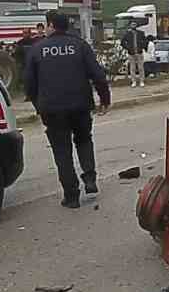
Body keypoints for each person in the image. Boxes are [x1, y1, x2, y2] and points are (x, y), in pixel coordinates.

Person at [23, 11, 111, 209]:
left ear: (52, 25)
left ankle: (71, 196)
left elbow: (29, 84)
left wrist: (38, 106)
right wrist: (105, 99)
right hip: (80, 105)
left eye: (46, 25)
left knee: (62, 150)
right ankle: (89, 179)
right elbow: (98, 75)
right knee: (83, 140)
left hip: (52, 109)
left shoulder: (37, 49)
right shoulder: (80, 46)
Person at [120, 24, 147, 88]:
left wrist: (142, 47)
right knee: (132, 68)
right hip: (131, 53)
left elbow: (145, 41)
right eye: (132, 25)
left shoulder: (141, 33)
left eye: (134, 24)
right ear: (130, 26)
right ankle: (133, 81)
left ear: (136, 26)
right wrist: (128, 47)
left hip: (139, 52)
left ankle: (141, 81)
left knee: (140, 68)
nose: (133, 26)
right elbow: (122, 42)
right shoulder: (127, 34)